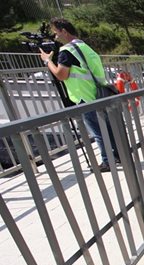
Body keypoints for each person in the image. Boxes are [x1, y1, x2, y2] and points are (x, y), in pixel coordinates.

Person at [39, 17, 118, 172]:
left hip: (84, 95)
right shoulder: (84, 46)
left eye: (56, 33)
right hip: (99, 92)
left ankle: (107, 161)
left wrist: (47, 61)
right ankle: (117, 154)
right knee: (107, 127)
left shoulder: (67, 51)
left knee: (97, 130)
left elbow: (61, 75)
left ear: (64, 31)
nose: (56, 37)